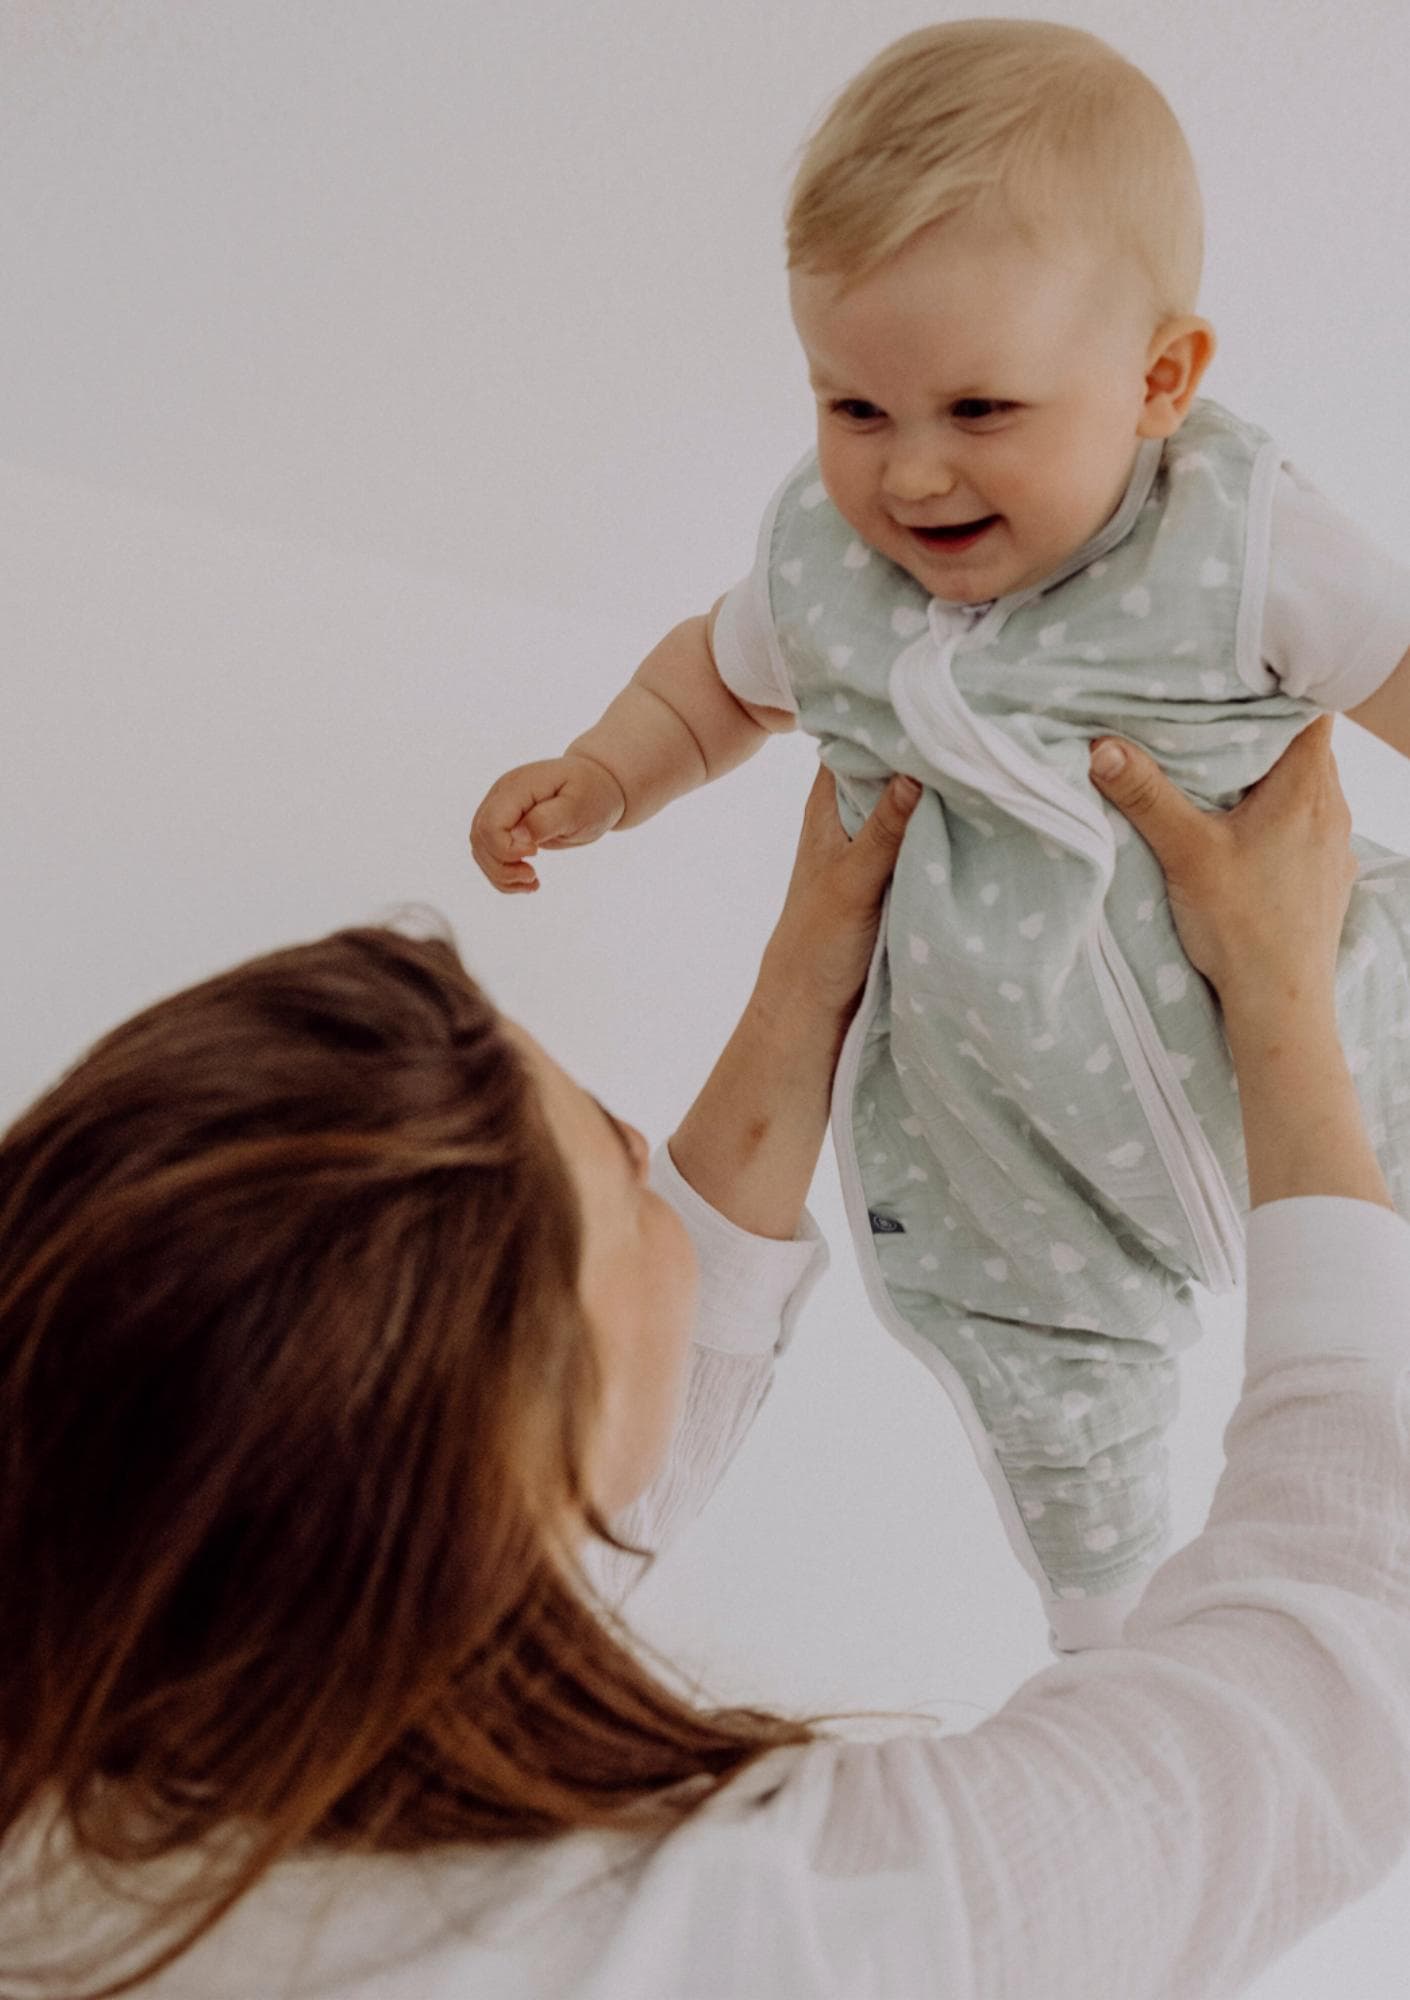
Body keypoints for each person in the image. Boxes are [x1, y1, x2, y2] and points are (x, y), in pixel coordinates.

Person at [1, 720, 1409, 1999]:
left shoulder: (63, 1830)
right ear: (517, 1435)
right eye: (623, 1167)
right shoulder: (769, 1927)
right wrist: (1281, 996)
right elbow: (1339, 1654)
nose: (659, 1188)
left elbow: (505, 1518)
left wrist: (807, 975)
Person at [468, 18, 1410, 1651]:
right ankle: (1105, 1619)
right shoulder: (820, 569)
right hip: (1004, 1123)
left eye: (980, 408)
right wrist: (607, 773)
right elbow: (714, 679)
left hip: (1339, 1043)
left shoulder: (1233, 541)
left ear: (1158, 382)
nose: (906, 473)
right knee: (1033, 1362)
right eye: (851, 405)